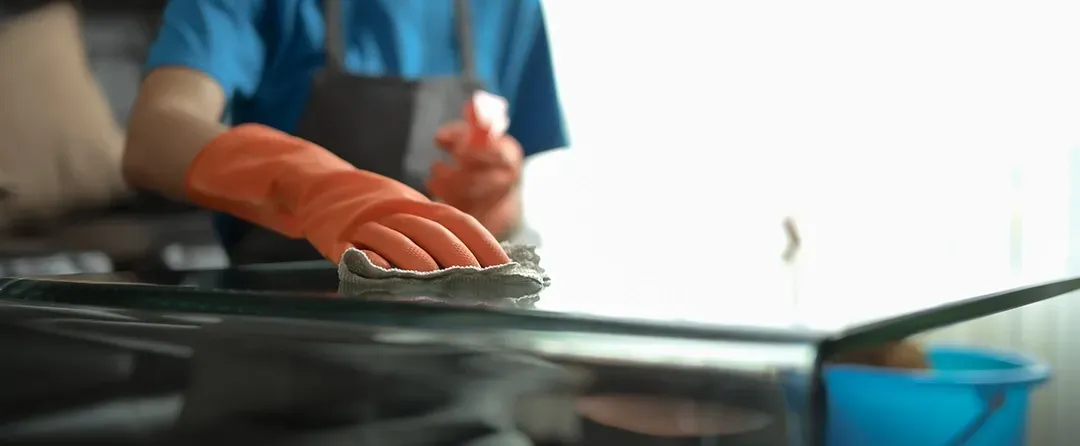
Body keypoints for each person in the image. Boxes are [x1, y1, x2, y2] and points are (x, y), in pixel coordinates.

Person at [122, 0, 567, 269]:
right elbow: (156, 133)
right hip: (277, 353)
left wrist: (494, 203)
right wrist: (315, 186)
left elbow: (511, 216)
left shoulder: (511, 7)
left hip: (461, 364)